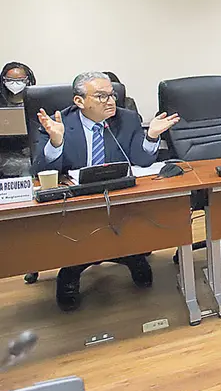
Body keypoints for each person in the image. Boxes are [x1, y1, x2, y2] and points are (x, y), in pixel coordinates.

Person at [33, 72, 180, 311]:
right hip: (76, 201)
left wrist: (152, 136)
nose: (110, 101)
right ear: (79, 101)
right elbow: (40, 171)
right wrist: (56, 142)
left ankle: (131, 254)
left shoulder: (128, 119)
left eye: (111, 95)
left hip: (119, 196)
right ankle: (71, 269)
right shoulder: (57, 122)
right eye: (101, 96)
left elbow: (141, 160)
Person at [1, 62, 36, 178]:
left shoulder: (36, 101)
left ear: (27, 80)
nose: (15, 84)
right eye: (10, 79)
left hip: (28, 153)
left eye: (20, 80)